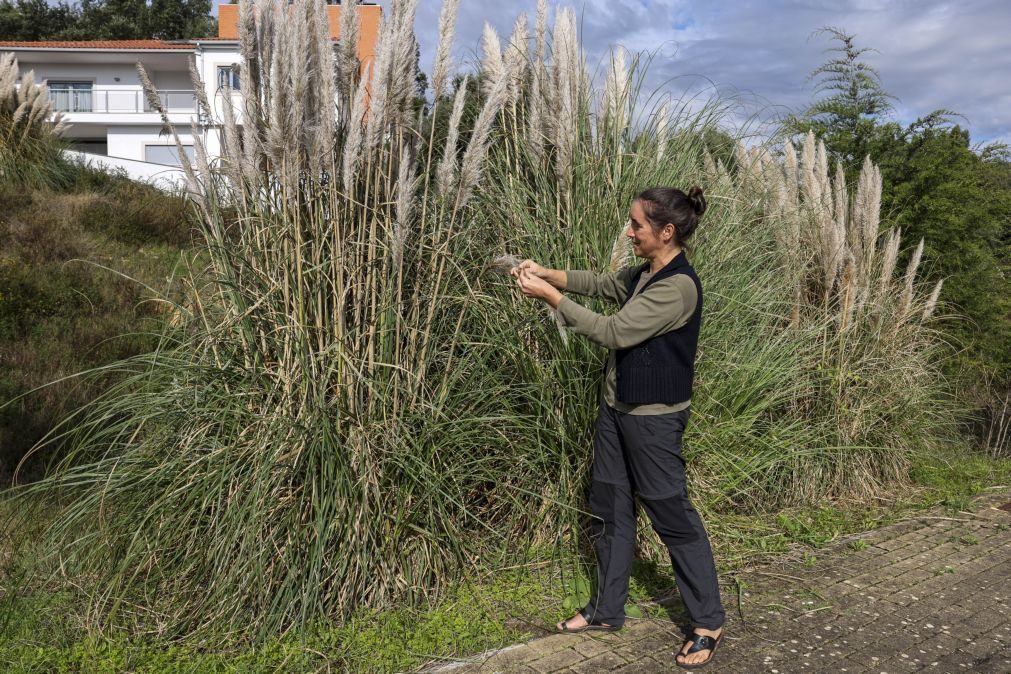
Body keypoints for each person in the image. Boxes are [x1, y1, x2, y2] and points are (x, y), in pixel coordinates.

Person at [511, 186, 725, 669]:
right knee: (609, 506)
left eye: (637, 226)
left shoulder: (678, 285)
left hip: (653, 421)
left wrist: (550, 298)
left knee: (671, 516)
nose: (629, 233)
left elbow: (614, 331)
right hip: (615, 410)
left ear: (666, 232)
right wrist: (550, 273)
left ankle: (708, 620)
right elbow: (606, 284)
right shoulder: (646, 272)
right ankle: (608, 610)